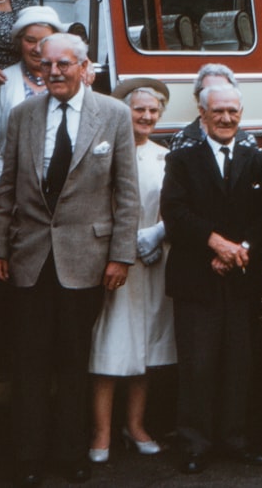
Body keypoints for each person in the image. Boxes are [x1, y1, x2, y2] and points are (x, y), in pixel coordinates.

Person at [0, 32, 140, 486]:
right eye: (46, 65)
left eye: (64, 64)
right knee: (30, 362)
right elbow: (7, 189)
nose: (53, 72)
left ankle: (70, 453)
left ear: (83, 65)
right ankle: (28, 455)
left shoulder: (113, 115)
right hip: (30, 258)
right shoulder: (22, 115)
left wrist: (121, 256)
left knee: (75, 361)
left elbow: (126, 193)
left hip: (87, 259)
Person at [160, 84, 262, 474]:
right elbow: (174, 211)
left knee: (239, 362)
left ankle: (235, 439)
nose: (226, 118)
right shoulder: (182, 159)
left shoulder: (256, 159)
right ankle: (194, 444)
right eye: (218, 112)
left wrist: (239, 249)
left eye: (232, 111)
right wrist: (215, 244)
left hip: (240, 274)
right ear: (202, 114)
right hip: (196, 275)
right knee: (198, 364)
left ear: (241, 112)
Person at [87, 79, 176, 464]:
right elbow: (95, 205)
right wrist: (125, 244)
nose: (146, 116)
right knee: (110, 348)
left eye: (154, 110)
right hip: (115, 262)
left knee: (146, 347)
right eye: (139, 109)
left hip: (154, 262)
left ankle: (135, 426)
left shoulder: (165, 156)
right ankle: (101, 433)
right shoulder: (104, 150)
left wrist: (157, 236)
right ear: (123, 111)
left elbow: (177, 205)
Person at [0, 5, 67, 182]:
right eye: (30, 40)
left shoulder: (70, 80)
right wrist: (4, 185)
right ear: (19, 41)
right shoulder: (4, 80)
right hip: (17, 184)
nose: (37, 49)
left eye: (45, 41)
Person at [169, 63, 258, 151]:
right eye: (208, 91)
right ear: (198, 97)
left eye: (224, 90)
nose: (217, 95)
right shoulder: (182, 138)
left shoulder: (246, 140)